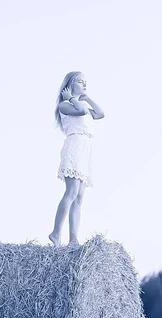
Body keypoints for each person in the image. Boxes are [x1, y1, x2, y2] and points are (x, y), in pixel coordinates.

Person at [48, 71, 105, 247]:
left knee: (79, 197)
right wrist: (73, 98)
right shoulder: (65, 105)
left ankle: (73, 239)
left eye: (86, 82)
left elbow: (100, 113)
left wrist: (86, 97)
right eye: (80, 82)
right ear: (70, 84)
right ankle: (56, 233)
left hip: (85, 150)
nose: (84, 84)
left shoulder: (81, 105)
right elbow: (80, 111)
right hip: (75, 147)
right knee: (71, 192)